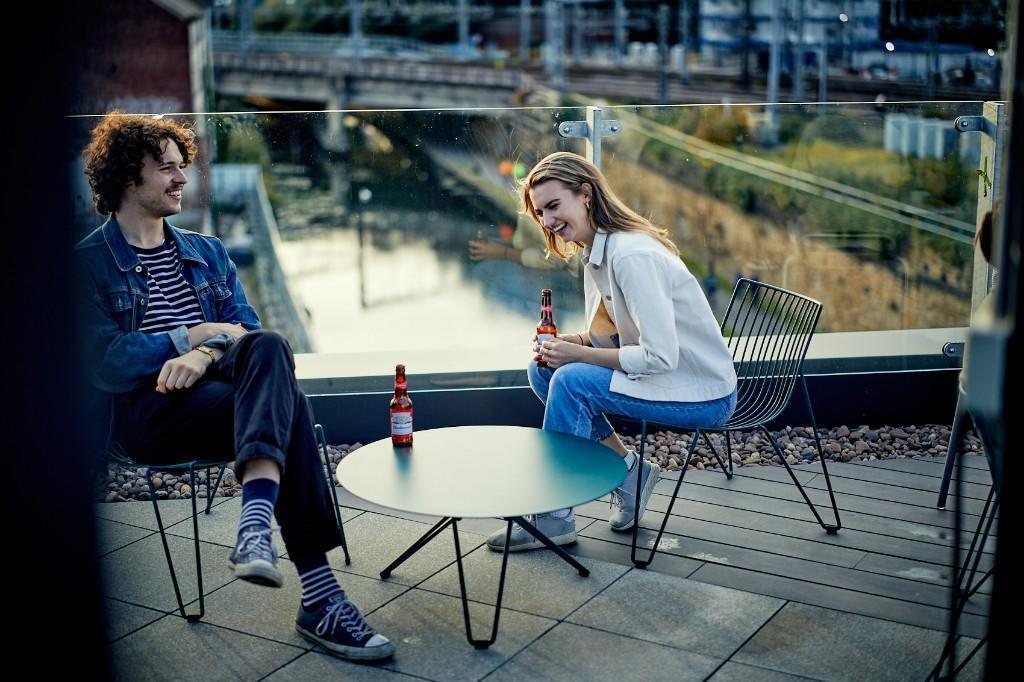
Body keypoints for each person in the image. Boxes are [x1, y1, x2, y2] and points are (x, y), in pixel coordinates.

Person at [76, 113, 394, 661]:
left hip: (222, 403)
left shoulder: (207, 252)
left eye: (182, 167)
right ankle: (319, 596)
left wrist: (202, 353)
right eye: (167, 169)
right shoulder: (87, 265)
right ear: (128, 177)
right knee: (290, 405)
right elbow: (105, 362)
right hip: (147, 417)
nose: (182, 178)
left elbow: (247, 331)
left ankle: (258, 529)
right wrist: (192, 334)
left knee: (270, 347)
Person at [487, 152, 738, 551]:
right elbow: (615, 334)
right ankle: (631, 474)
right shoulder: (598, 251)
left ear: (585, 194)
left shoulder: (631, 256)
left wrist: (579, 357)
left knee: (571, 380)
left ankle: (553, 517)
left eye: (554, 206)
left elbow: (659, 357)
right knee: (545, 370)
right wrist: (575, 343)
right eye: (540, 212)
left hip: (701, 392)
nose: (547, 221)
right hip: (666, 380)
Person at [468, 213, 583, 318]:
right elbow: (528, 239)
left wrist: (504, 253)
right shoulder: (529, 209)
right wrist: (497, 243)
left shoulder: (537, 205)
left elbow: (555, 258)